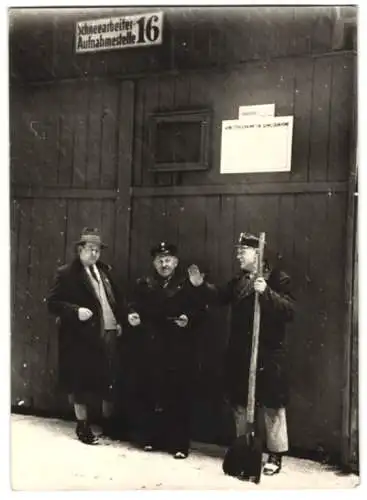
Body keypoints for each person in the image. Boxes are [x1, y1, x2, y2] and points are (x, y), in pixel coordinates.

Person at [189, 232, 295, 475]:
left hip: (268, 353)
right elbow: (219, 297)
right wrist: (200, 286)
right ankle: (243, 448)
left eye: (242, 251)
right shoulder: (239, 280)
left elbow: (289, 311)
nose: (238, 255)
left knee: (272, 404)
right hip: (241, 352)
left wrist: (267, 291)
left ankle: (276, 455)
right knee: (239, 403)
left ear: (257, 254)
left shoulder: (278, 278)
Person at [127, 241, 208, 459]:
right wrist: (132, 314)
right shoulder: (143, 283)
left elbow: (201, 310)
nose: (164, 264)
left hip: (178, 346)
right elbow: (132, 304)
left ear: (176, 262)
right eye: (160, 260)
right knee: (151, 391)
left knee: (178, 394)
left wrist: (188, 319)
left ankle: (179, 444)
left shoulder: (186, 283)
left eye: (168, 260)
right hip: (151, 344)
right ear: (154, 263)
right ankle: (150, 439)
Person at [47, 227, 126, 445]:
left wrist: (118, 321)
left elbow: (114, 299)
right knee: (80, 381)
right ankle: (83, 426)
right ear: (80, 249)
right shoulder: (66, 273)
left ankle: (109, 424)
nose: (94, 254)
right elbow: (52, 303)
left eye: (98, 250)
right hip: (81, 337)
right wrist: (75, 311)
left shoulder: (105, 271)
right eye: (90, 249)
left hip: (108, 332)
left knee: (109, 378)